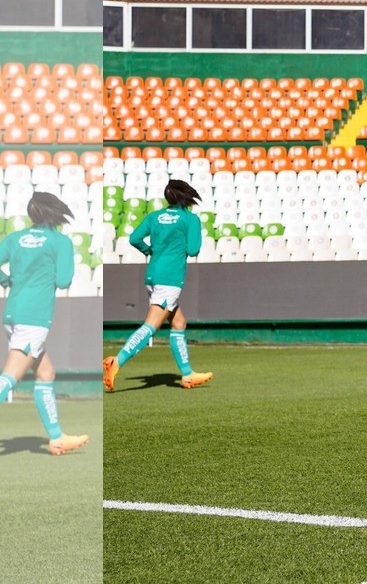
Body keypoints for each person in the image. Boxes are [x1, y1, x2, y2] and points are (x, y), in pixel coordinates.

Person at [0, 193, 89, 455]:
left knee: (45, 373)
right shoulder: (59, 242)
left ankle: (56, 438)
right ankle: (57, 437)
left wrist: (6, 280)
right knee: (10, 378)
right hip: (35, 317)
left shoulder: (14, 239)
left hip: (13, 313)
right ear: (55, 213)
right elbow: (63, 280)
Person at [104, 180, 213, 391]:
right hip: (170, 279)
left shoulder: (154, 217)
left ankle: (188, 374)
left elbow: (135, 238)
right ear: (187, 197)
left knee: (179, 323)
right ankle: (115, 362)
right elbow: (192, 249)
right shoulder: (190, 219)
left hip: (152, 275)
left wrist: (149, 251)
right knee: (150, 327)